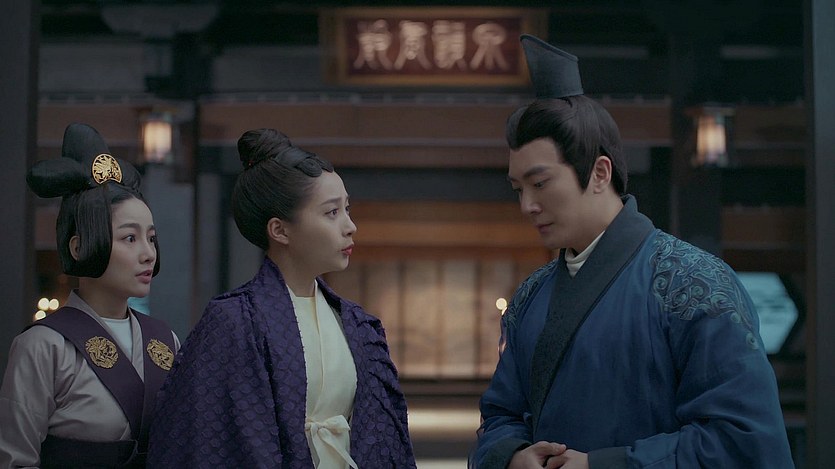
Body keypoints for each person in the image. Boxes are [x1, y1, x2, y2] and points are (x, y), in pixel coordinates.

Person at [471, 35, 794, 469]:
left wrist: (603, 464)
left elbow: (741, 439)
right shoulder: (531, 296)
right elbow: (500, 414)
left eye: (540, 183)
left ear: (599, 173)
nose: (527, 205)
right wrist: (512, 455)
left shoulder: (692, 282)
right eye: (518, 189)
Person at [148, 128, 416, 468]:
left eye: (347, 209)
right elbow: (214, 439)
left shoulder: (358, 324)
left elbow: (383, 436)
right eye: (331, 213)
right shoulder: (234, 321)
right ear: (280, 230)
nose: (350, 226)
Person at [0, 123, 179, 468]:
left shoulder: (165, 340)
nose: (148, 253)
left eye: (151, 238)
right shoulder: (44, 347)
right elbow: (15, 460)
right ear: (80, 247)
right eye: (130, 238)